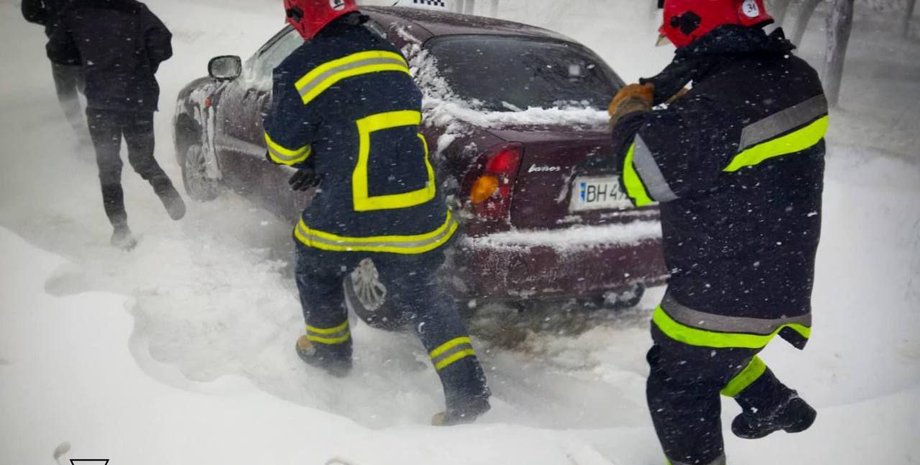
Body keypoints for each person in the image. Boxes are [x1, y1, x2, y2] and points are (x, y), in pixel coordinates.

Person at [608, 0, 827, 463]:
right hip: (773, 276)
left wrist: (630, 113)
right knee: (702, 357)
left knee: (677, 385)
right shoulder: (793, 77)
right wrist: (683, 88)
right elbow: (736, 137)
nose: (675, 48)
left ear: (695, 29)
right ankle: (773, 403)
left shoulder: (725, 104)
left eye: (680, 40)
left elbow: (639, 175)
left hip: (724, 286)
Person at [262, 0, 490, 425]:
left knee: (315, 265)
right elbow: (375, 121)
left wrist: (312, 156)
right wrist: (329, 150)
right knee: (424, 296)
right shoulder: (389, 53)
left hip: (352, 208)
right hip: (414, 203)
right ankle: (467, 391)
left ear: (300, 17)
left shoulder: (299, 66)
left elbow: (283, 149)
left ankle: (331, 353)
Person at [46, 0, 186, 250]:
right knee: (142, 158)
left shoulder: (75, 12)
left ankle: (120, 229)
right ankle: (163, 187)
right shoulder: (134, 9)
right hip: (139, 97)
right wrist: (143, 66)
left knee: (109, 166)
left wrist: (88, 57)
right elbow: (163, 45)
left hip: (102, 102)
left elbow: (57, 52)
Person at [21, 0, 89, 146]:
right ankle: (102, 129)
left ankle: (81, 133)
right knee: (92, 88)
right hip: (90, 42)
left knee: (67, 93)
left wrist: (54, 21)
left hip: (62, 47)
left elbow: (31, 12)